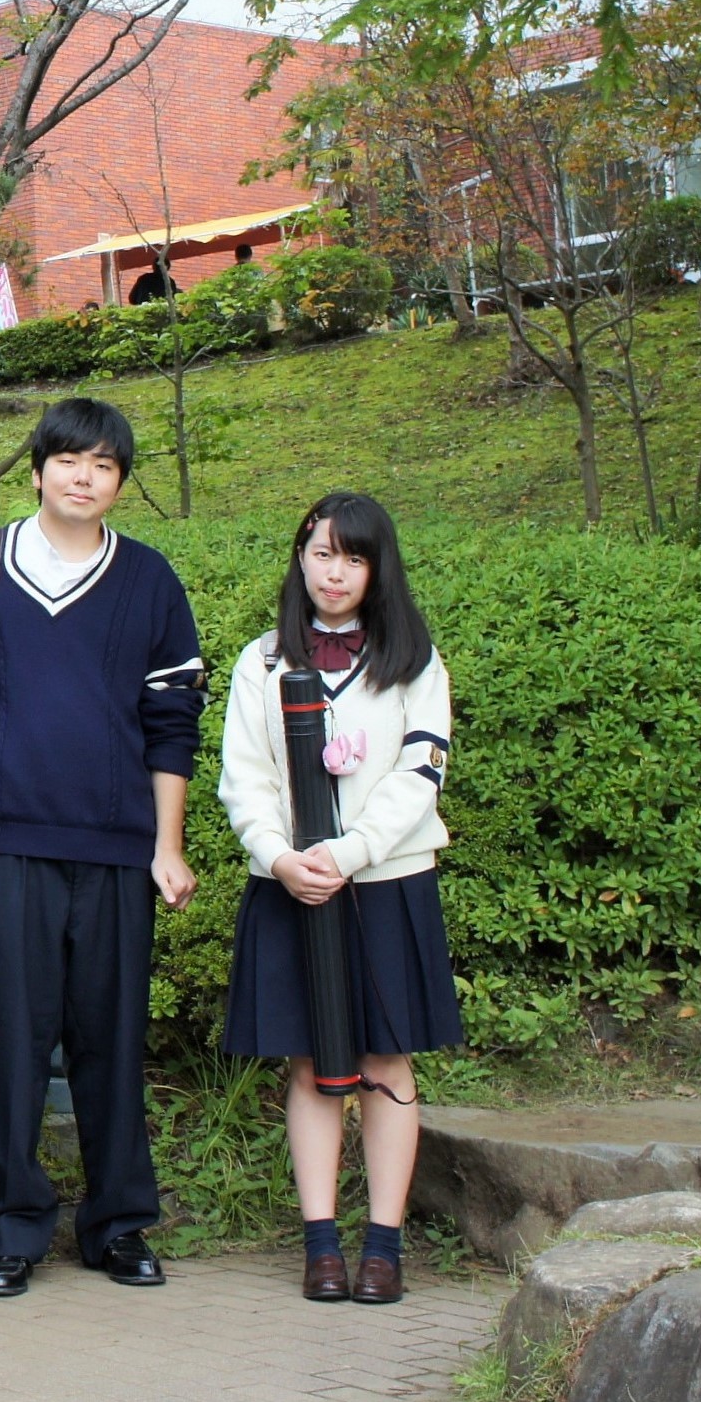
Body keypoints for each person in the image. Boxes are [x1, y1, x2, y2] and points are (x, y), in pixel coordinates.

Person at [0, 396, 207, 1298]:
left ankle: (118, 1226)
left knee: (111, 1042)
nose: (83, 477)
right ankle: (5, 1230)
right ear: (36, 469)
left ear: (117, 483)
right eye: (68, 460)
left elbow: (171, 720)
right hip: (1, 845)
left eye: (103, 466)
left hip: (114, 850)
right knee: (12, 1044)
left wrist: (167, 844)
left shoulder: (148, 581)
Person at [216, 491, 461, 1306]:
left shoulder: (414, 664)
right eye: (321, 553)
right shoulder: (259, 663)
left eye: (352, 557)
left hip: (387, 884)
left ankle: (383, 1245)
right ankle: (320, 1244)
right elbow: (243, 780)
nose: (334, 572)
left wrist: (351, 852)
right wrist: (281, 858)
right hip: (289, 885)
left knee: (386, 1057)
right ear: (299, 557)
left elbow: (419, 774)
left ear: (376, 567)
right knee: (310, 1056)